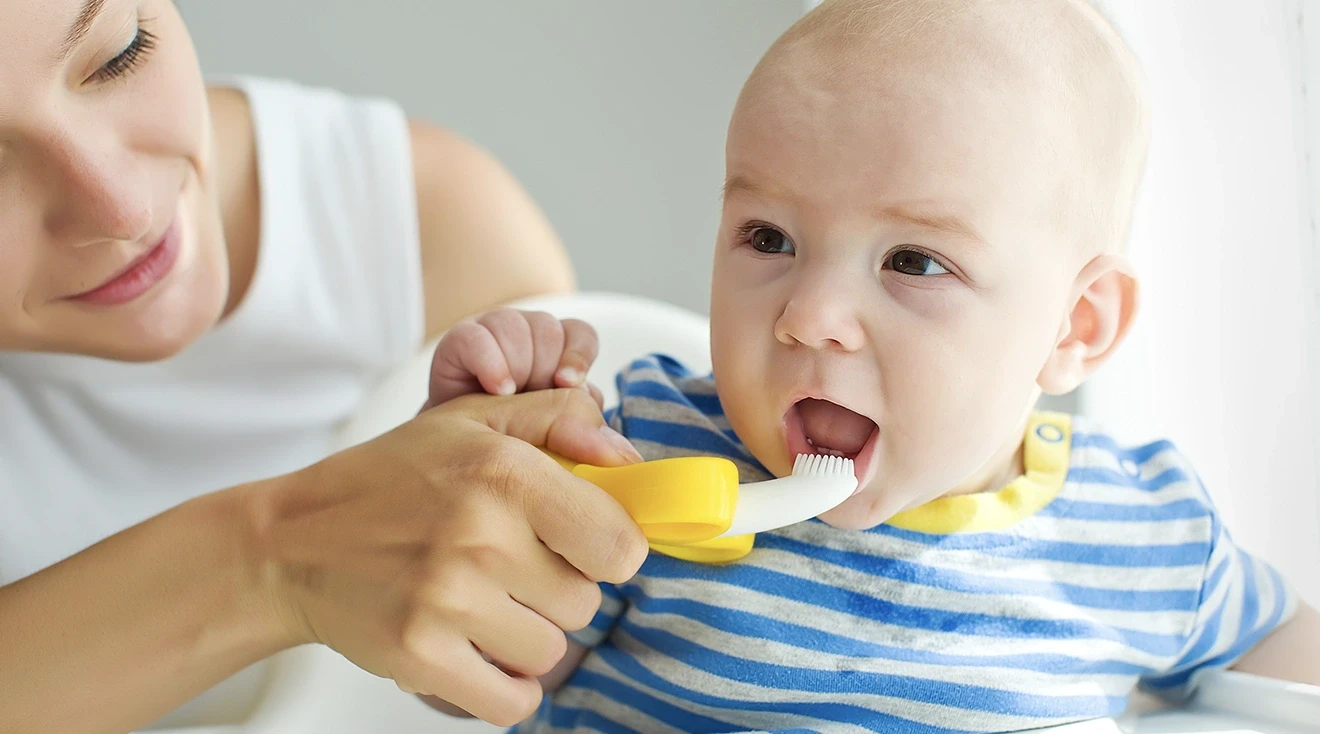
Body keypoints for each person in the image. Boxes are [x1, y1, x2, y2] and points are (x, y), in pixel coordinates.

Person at [422, 0, 1320, 731]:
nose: (809, 316)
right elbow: (470, 667)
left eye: (914, 262)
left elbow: (1285, 656)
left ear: (1073, 327)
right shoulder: (643, 453)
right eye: (768, 237)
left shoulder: (1146, 539)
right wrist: (494, 467)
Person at [0, 1, 650, 732]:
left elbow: (585, 671)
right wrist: (274, 558)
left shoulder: (426, 240)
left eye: (122, 52)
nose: (119, 209)